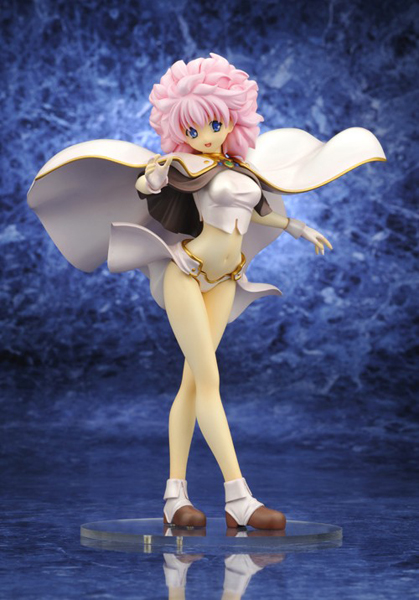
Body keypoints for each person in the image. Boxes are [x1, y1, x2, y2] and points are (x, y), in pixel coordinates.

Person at [27, 53, 386, 530]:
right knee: (210, 381)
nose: (205, 135)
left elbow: (258, 212)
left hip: (226, 278)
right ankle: (239, 498)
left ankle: (174, 496)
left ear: (233, 116)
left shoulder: (239, 166)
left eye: (214, 124)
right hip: (188, 274)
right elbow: (148, 185)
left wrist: (296, 227)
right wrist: (153, 175)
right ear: (178, 128)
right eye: (192, 128)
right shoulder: (181, 165)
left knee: (193, 384)